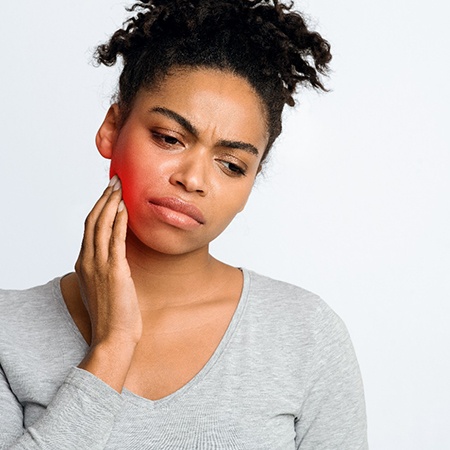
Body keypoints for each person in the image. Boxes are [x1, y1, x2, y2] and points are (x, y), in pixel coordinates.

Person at [0, 0, 368, 448]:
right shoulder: (9, 332)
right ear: (112, 128)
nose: (192, 179)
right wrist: (113, 347)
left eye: (231, 165)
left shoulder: (305, 334)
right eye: (170, 138)